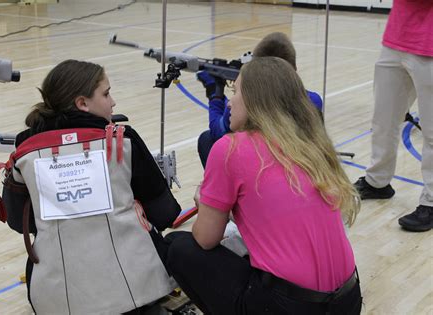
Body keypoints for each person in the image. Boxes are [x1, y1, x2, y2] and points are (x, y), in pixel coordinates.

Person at [165, 57, 362, 315]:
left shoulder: (230, 148)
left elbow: (205, 239)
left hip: (291, 307)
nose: (229, 101)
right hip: (349, 300)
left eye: (236, 92)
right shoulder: (311, 142)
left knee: (178, 246)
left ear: (256, 100)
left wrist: (204, 204)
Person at [3, 60, 181, 314]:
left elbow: (18, 221)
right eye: (106, 94)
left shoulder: (24, 151)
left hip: (56, 298)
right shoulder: (123, 140)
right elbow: (164, 213)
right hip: (135, 290)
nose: (113, 102)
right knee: (177, 245)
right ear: (82, 103)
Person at [354, 0, 432, 232]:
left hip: (429, 45)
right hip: (397, 37)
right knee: (383, 120)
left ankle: (430, 201)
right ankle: (377, 181)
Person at [197, 32, 323, 168]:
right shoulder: (313, 100)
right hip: (301, 166)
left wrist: (215, 94)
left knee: (207, 139)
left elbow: (218, 131)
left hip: (262, 166)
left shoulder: (248, 103)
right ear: (295, 70)